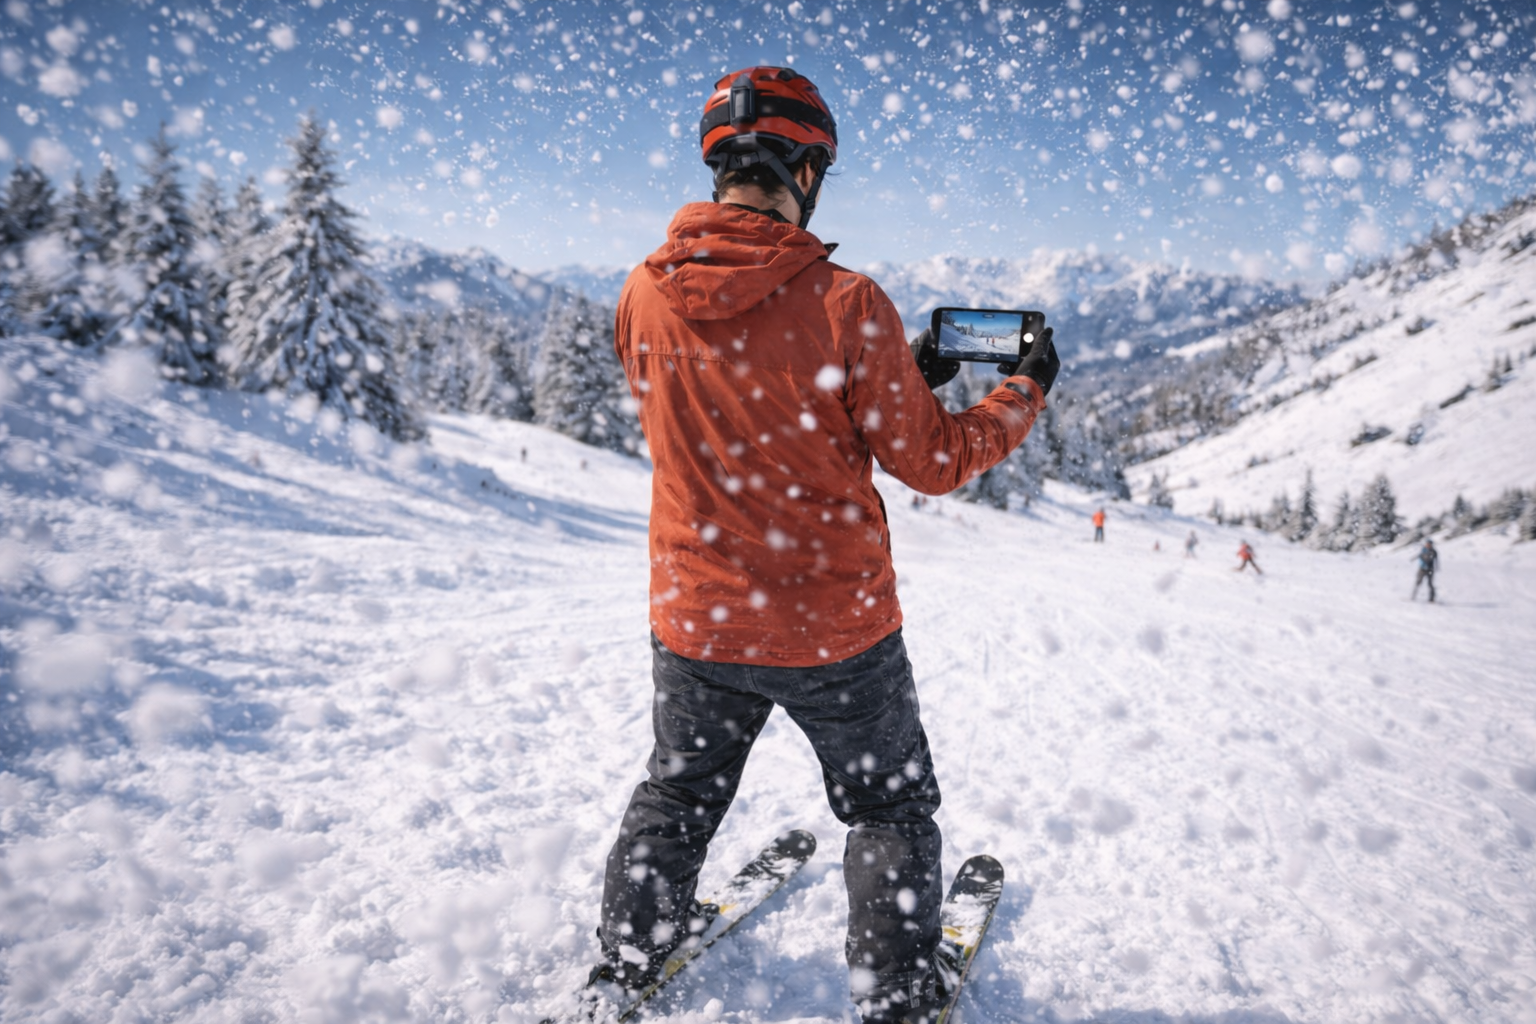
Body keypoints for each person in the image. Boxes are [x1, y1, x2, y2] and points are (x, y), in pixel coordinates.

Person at [594, 65, 1060, 1024]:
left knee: (679, 793)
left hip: (696, 616)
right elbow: (932, 462)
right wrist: (1020, 392)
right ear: (807, 171)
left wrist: (879, 374)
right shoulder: (847, 301)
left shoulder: (643, 292)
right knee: (887, 810)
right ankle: (893, 993)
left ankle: (632, 954)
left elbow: (724, 404)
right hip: (835, 631)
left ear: (721, 163)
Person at [1412, 538, 1438, 602]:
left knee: (1430, 584)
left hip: (1430, 570)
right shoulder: (1423, 550)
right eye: (1427, 544)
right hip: (1422, 569)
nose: (1428, 545)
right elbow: (1420, 556)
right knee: (1418, 583)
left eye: (1429, 544)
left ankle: (1432, 598)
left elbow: (1432, 559)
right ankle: (1413, 596)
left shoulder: (1433, 552)